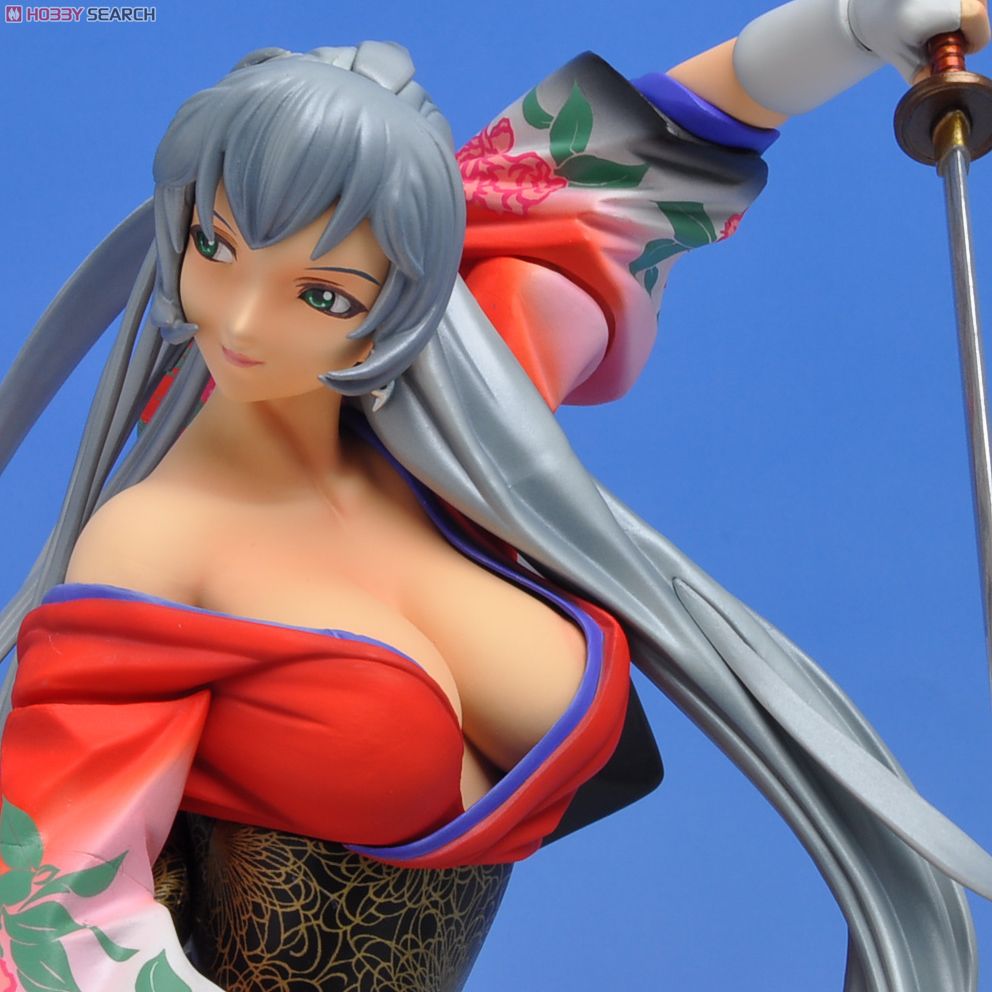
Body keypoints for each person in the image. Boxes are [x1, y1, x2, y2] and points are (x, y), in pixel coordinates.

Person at [0, 1, 990, 990]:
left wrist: (848, 25)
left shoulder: (461, 425)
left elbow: (628, 161)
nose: (244, 321)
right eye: (214, 247)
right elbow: (49, 917)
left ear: (405, 296)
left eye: (323, 293)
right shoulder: (154, 546)